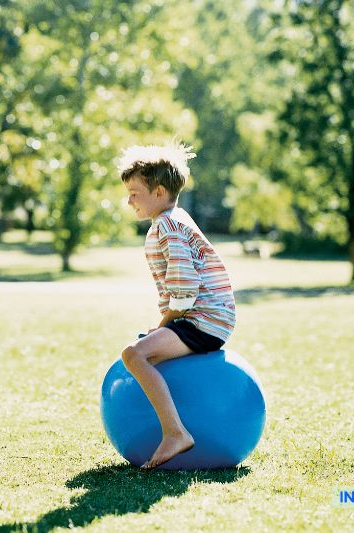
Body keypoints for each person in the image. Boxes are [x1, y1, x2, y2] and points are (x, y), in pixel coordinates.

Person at [118, 142, 236, 468]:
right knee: (144, 348)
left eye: (134, 193)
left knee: (134, 354)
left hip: (203, 321)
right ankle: (173, 430)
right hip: (206, 320)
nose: (128, 200)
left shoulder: (168, 225)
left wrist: (161, 327)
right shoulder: (173, 219)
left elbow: (184, 291)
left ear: (158, 191)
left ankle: (175, 433)